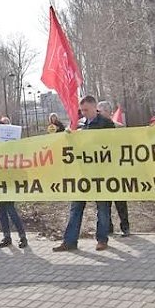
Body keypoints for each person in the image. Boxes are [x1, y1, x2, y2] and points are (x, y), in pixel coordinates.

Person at [53, 95, 116, 252]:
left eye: (86, 110)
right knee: (76, 207)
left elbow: (113, 145)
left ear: (95, 108)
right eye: (81, 110)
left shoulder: (106, 124)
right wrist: (70, 135)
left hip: (101, 173)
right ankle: (70, 241)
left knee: (102, 208)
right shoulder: (79, 124)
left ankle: (102, 239)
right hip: (82, 173)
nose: (84, 113)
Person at [0, 120, 28, 248]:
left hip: (8, 180)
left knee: (10, 209)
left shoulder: (10, 144)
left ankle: (22, 236)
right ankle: (6, 236)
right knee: (1, 210)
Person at [97, 101, 130, 237]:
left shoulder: (118, 128)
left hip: (117, 169)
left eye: (99, 112)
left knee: (120, 200)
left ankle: (125, 227)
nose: (97, 114)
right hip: (101, 170)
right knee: (104, 202)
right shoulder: (94, 128)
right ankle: (108, 227)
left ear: (107, 112)